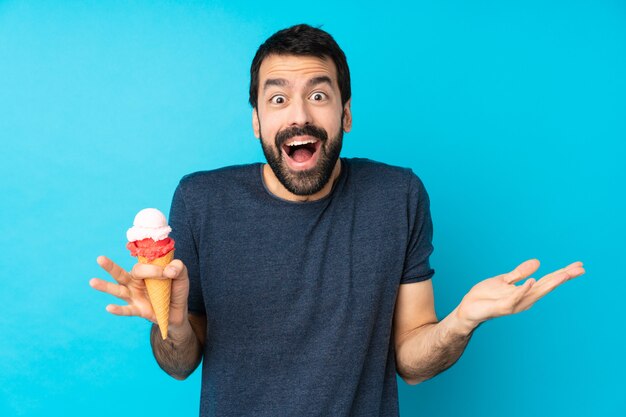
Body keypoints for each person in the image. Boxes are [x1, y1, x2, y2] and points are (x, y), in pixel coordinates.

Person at [90, 24, 585, 417]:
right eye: (278, 98)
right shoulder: (201, 199)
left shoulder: (398, 195)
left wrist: (461, 322)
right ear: (257, 121)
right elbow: (181, 365)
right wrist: (171, 327)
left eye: (319, 96)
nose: (299, 116)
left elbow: (412, 362)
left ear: (345, 114)